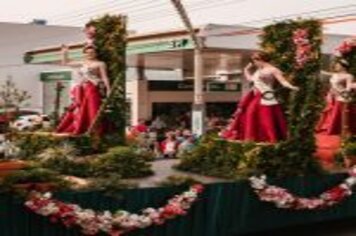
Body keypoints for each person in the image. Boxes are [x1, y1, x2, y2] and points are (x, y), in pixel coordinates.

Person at [221, 52, 299, 143]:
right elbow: (251, 79)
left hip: (266, 95)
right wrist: (246, 70)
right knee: (251, 113)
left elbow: (283, 81)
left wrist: (291, 86)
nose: (254, 63)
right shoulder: (258, 70)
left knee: (265, 117)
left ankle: (269, 138)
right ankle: (253, 138)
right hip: (256, 95)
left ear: (260, 59)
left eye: (254, 60)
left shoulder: (273, 70)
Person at [56, 45, 110, 135]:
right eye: (88, 53)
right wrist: (65, 52)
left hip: (93, 87)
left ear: (96, 53)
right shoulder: (83, 63)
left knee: (93, 108)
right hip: (82, 89)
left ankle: (95, 130)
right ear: (85, 54)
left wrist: (108, 89)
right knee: (81, 108)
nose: (90, 54)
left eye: (92, 52)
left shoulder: (100, 64)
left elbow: (104, 77)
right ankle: (83, 127)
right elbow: (65, 63)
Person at [316, 60, 356, 135]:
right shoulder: (335, 74)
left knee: (341, 114)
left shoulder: (348, 76)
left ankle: (341, 130)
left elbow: (348, 87)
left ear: (343, 67)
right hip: (332, 97)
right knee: (325, 112)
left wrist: (343, 93)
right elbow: (325, 73)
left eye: (338, 65)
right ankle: (319, 127)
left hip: (341, 97)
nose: (336, 66)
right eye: (336, 65)